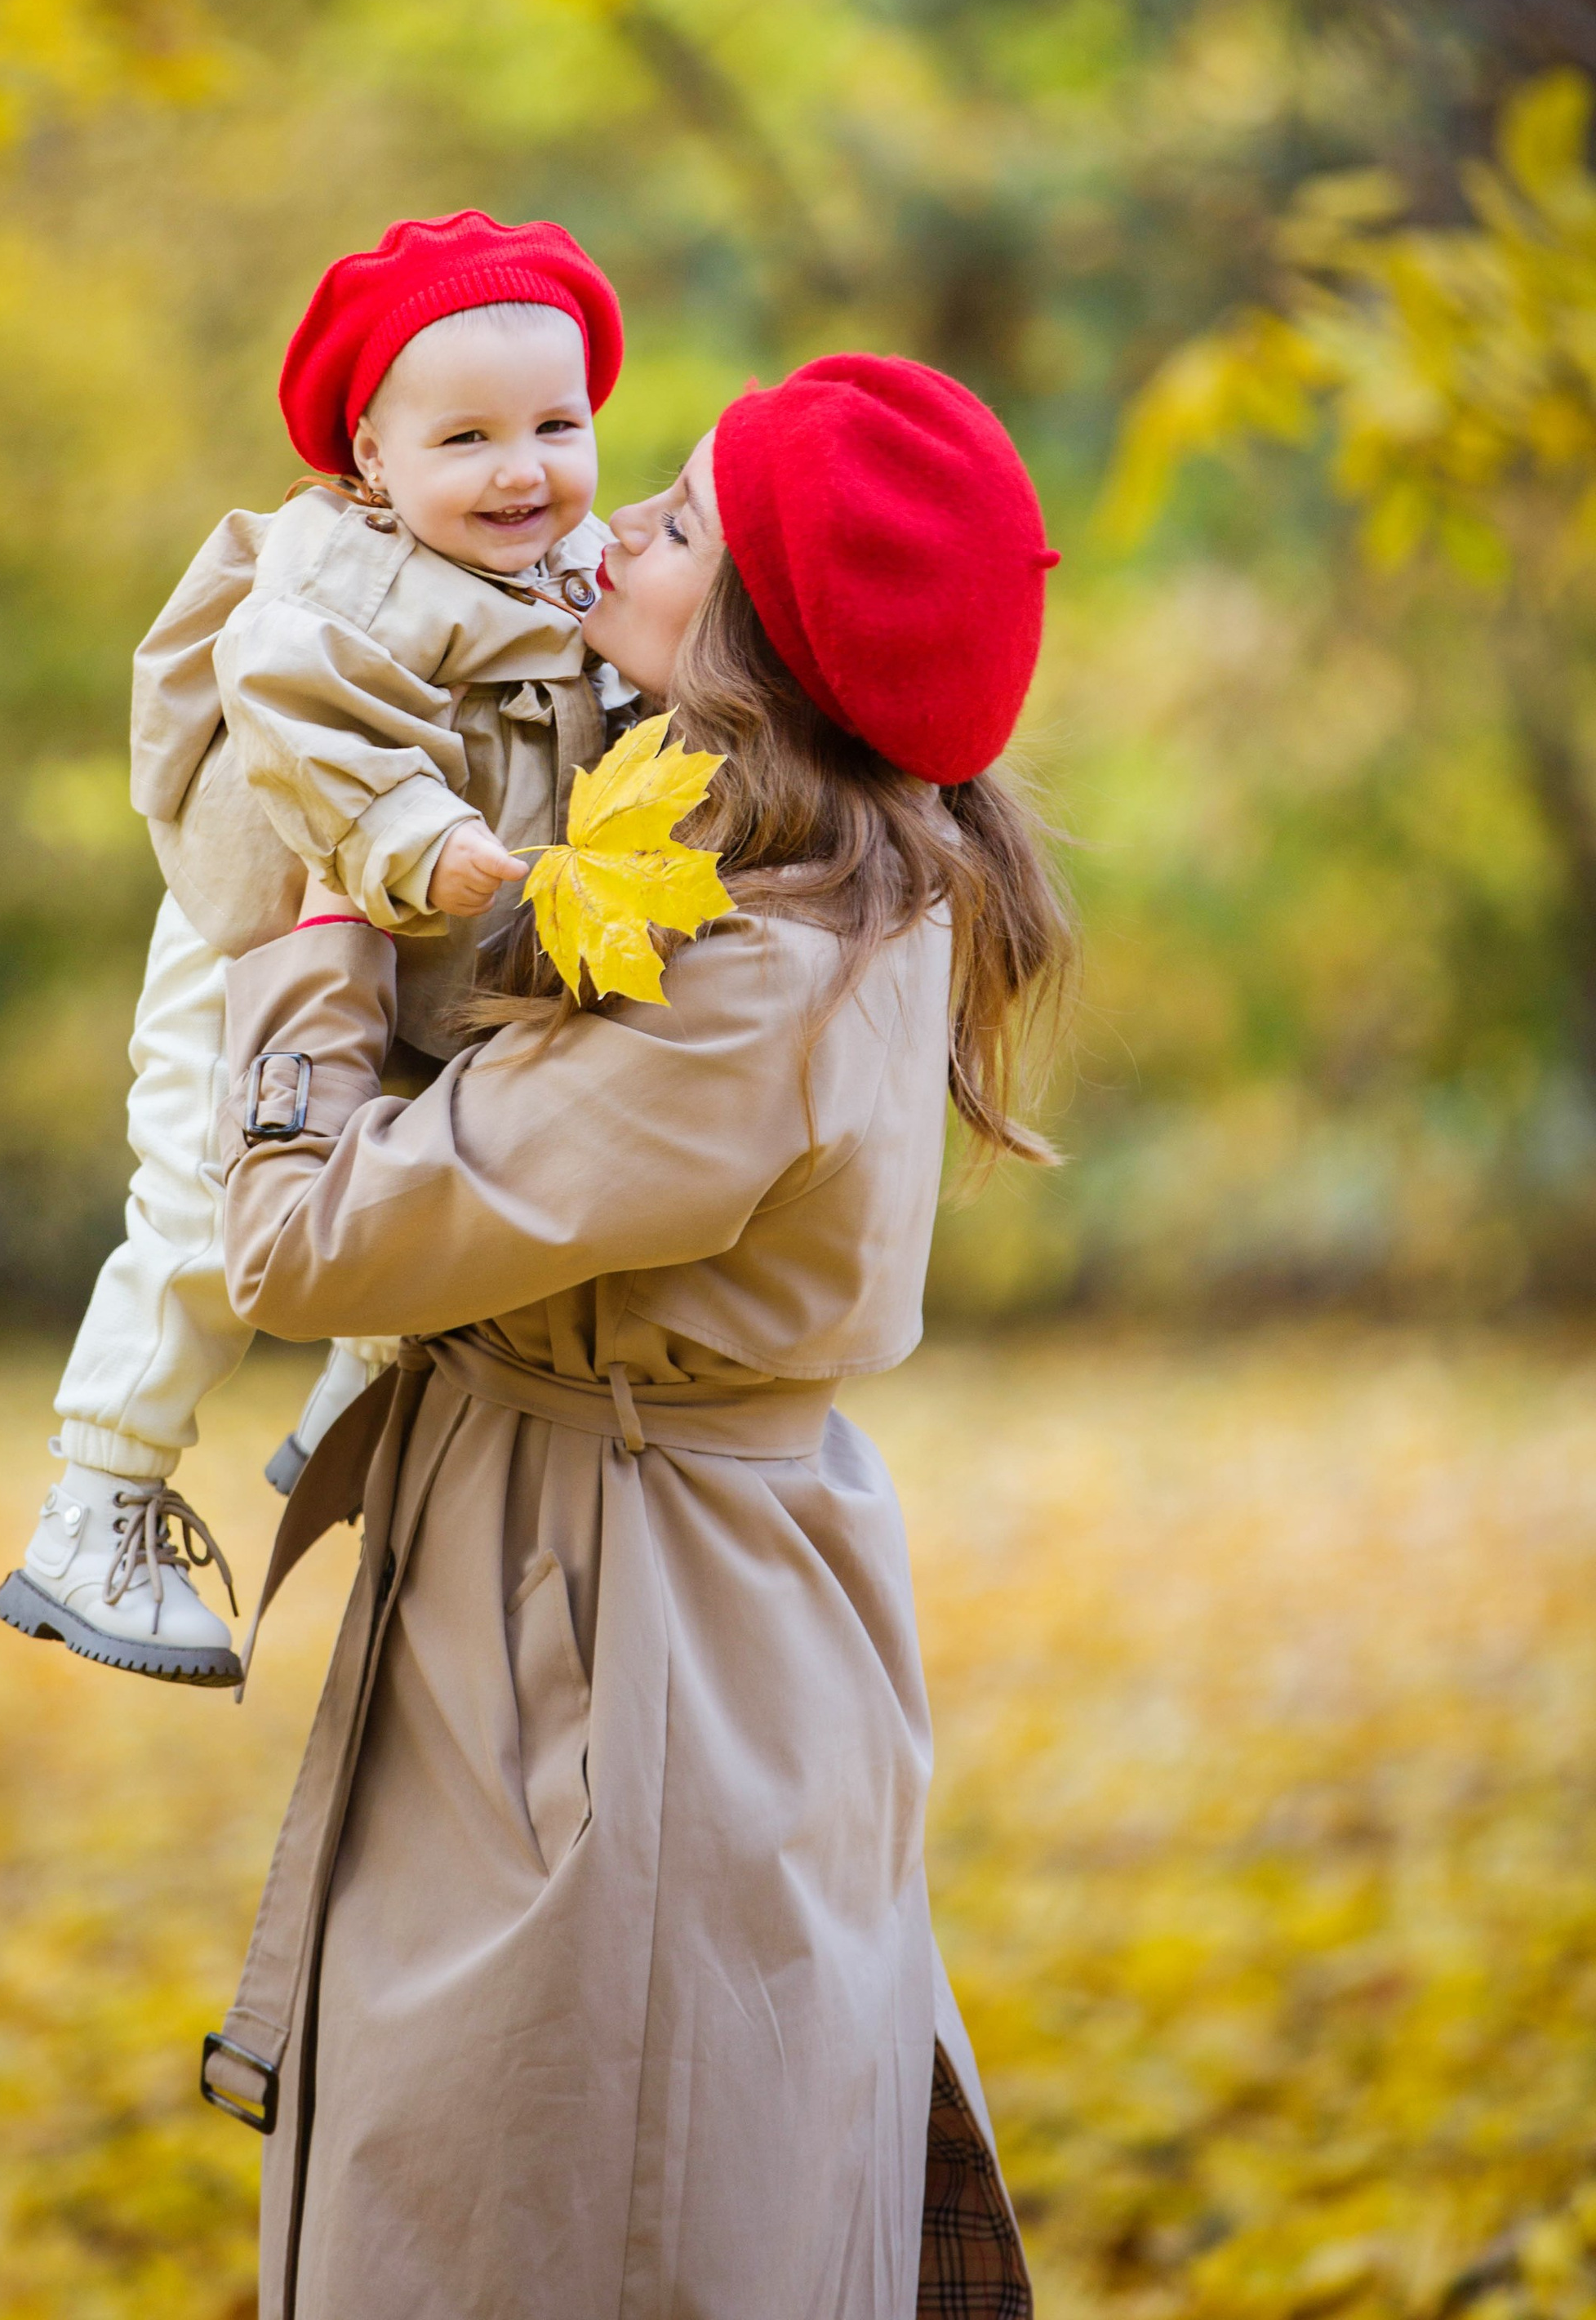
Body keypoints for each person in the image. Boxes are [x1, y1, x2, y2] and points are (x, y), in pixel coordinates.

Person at [199, 352, 1072, 2320]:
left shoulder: (749, 982)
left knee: (571, 2196)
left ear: (763, 652)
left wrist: (304, 939)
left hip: (613, 1640)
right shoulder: (788, 859)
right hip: (629, 1577)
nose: (608, 530)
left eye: (674, 528)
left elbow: (304, 1232)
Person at [0, 211, 628, 1684]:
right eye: (465, 438)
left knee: (425, 1171)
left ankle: (352, 1400)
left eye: (556, 421)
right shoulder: (338, 574)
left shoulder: (575, 570)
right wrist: (416, 837)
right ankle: (98, 1502)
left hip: (417, 975)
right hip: (267, 958)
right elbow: (309, 723)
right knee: (212, 1214)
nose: (522, 468)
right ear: (371, 463)